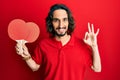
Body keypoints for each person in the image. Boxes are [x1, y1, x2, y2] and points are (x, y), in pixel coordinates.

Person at [16, 4, 101, 80]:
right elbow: (35, 67)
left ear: (69, 22)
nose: (61, 25)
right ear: (51, 23)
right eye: (56, 20)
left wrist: (94, 46)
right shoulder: (43, 44)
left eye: (64, 20)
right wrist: (26, 56)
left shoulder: (82, 45)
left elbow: (97, 68)